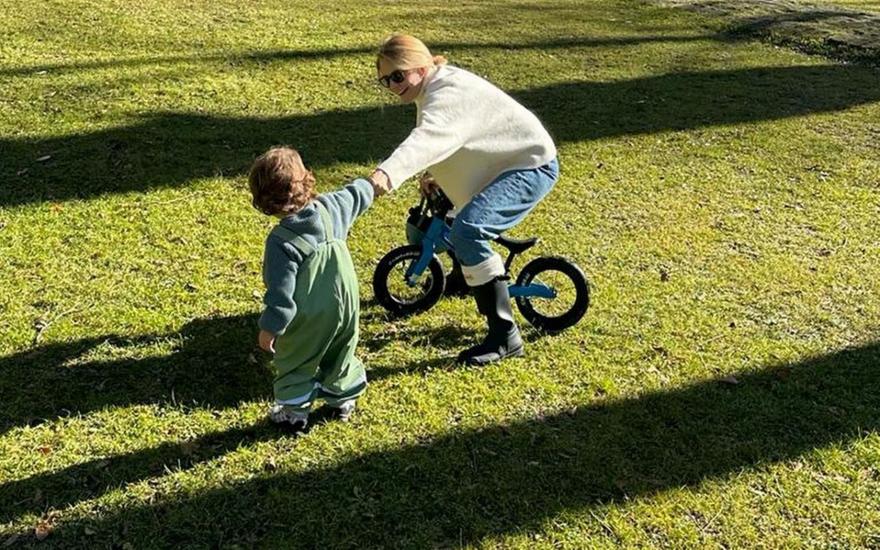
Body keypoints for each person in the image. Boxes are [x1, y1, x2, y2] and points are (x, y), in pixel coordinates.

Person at [368, 34, 559, 366]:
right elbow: (456, 136)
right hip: (502, 161)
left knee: (467, 231)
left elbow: (429, 136)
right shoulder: (433, 86)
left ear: (422, 65)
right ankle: (461, 278)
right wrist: (433, 174)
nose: (393, 86)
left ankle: (505, 337)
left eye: (398, 76)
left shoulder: (447, 93)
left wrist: (386, 174)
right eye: (385, 80)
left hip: (530, 165)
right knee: (448, 211)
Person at [249, 146, 373, 431]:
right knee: (341, 350)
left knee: (296, 358)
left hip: (309, 316)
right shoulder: (332, 208)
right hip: (347, 305)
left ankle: (295, 411)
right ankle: (342, 400)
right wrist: (372, 184)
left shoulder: (281, 241)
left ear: (264, 200)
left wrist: (271, 329)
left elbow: (281, 294)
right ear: (307, 181)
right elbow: (357, 194)